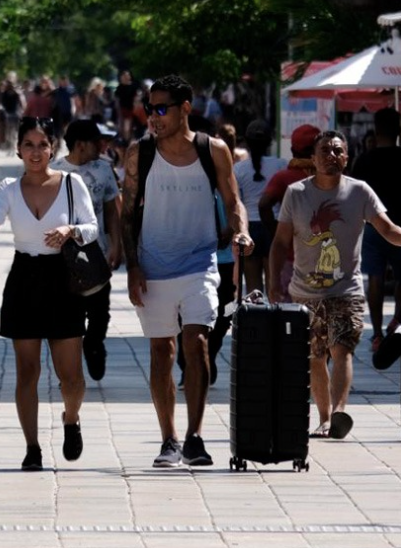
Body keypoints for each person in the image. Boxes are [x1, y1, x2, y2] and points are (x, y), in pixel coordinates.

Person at [121, 74, 253, 467]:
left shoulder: (214, 151)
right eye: (149, 109)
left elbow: (233, 201)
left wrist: (241, 231)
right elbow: (126, 216)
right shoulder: (138, 154)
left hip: (200, 261)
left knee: (196, 343)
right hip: (153, 264)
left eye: (162, 109)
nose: (153, 117)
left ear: (185, 110)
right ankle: (169, 440)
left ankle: (195, 436)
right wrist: (131, 267)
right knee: (162, 350)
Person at [268, 131, 401, 439]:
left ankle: (339, 412)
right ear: (313, 158)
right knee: (315, 356)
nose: (331, 156)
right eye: (324, 151)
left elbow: (385, 227)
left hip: (346, 291)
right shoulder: (296, 193)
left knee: (342, 350)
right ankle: (324, 418)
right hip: (304, 293)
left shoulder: (359, 191)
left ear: (346, 158)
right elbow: (281, 241)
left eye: (337, 151)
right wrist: (273, 283)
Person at [0, 117, 98, 470]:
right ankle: (32, 447)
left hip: (63, 280)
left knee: (69, 375)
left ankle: (71, 418)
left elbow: (92, 226)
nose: (36, 152)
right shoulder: (9, 187)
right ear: (18, 149)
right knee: (27, 371)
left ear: (52, 148)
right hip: (25, 278)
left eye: (43, 145)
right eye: (29, 145)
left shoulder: (72, 183)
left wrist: (70, 229)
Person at [51, 119, 122, 381]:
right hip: (63, 260)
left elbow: (113, 210)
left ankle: (94, 344)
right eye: (96, 142)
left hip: (98, 255)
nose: (102, 146)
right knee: (70, 314)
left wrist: (116, 244)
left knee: (100, 312)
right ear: (80, 145)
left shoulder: (104, 169)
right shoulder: (54, 171)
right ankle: (70, 365)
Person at [351, 108, 401, 352]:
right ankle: (396, 323)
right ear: (398, 128)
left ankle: (376, 332)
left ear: (376, 127)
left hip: (372, 227)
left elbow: (353, 195)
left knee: (375, 277)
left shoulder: (364, 160)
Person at [177, 122, 239, 389]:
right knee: (186, 317)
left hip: (225, 261)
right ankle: (187, 362)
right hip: (192, 262)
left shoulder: (230, 178)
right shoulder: (188, 180)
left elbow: (238, 208)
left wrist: (232, 230)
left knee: (225, 314)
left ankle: (209, 353)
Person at [258, 124, 319, 299]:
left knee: (292, 315)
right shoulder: (330, 178)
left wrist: (275, 230)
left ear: (292, 150)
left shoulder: (284, 178)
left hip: (291, 258)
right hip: (325, 261)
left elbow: (264, 205)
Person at [233, 119, 287, 294]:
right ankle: (275, 319)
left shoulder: (238, 169)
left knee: (252, 289)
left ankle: (254, 320)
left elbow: (236, 202)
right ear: (270, 141)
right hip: (274, 227)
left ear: (246, 142)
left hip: (249, 229)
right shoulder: (281, 165)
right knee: (274, 285)